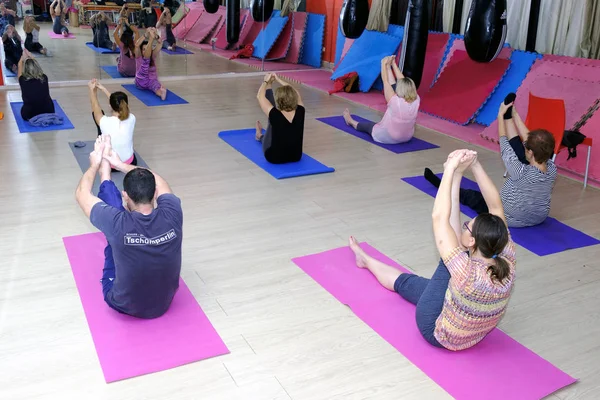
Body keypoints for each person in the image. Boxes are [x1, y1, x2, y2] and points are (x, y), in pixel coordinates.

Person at [350, 149, 516, 351]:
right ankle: (366, 260)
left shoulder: (466, 273)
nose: (464, 225)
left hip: (439, 334)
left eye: (467, 226)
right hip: (474, 333)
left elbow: (439, 217)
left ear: (472, 241)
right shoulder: (506, 256)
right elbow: (496, 208)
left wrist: (450, 171)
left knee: (446, 261)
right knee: (421, 283)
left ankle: (367, 261)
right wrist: (475, 164)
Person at [75, 135, 183, 319]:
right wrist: (121, 164)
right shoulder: (173, 212)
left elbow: (81, 193)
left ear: (125, 196)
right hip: (164, 302)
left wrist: (95, 163)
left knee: (113, 237)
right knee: (115, 227)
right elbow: (159, 180)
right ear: (155, 193)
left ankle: (105, 174)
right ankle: (107, 172)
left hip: (124, 304)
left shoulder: (118, 224)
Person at [424, 100, 557, 228]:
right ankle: (508, 117)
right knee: (519, 151)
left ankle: (440, 184)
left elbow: (504, 143)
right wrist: (514, 115)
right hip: (539, 217)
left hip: (509, 218)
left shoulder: (520, 172)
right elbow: (532, 142)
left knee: (472, 197)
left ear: (531, 152)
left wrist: (500, 117)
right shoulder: (552, 168)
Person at [343, 55, 420, 144]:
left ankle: (350, 121)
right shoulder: (417, 99)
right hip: (407, 137)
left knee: (370, 126)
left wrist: (383, 64)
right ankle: (388, 68)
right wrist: (393, 64)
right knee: (394, 88)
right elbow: (404, 82)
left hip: (388, 137)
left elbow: (385, 81)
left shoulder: (395, 101)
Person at [255, 73, 305, 164]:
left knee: (271, 123)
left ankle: (259, 135)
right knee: (273, 122)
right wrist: (278, 79)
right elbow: (295, 92)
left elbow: (260, 96)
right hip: (296, 156)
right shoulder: (301, 111)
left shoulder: (274, 114)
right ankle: (259, 135)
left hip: (274, 158)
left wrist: (266, 81)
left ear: (279, 100)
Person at [88, 79, 137, 167]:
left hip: (109, 165)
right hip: (129, 162)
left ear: (110, 106)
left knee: (99, 122)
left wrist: (92, 90)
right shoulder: (132, 118)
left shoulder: (104, 122)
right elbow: (118, 103)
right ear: (126, 105)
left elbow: (95, 106)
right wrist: (103, 89)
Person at [17, 50, 55, 121]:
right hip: (49, 110)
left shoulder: (23, 80)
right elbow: (37, 67)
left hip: (30, 114)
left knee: (23, 109)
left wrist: (22, 59)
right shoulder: (44, 78)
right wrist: (32, 57)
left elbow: (19, 66)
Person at [134, 28, 167, 100]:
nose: (145, 51)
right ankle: (150, 40)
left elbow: (160, 42)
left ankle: (161, 93)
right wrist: (146, 35)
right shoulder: (138, 56)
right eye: (143, 49)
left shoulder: (153, 55)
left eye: (147, 49)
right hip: (141, 80)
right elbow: (137, 45)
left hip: (151, 80)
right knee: (145, 62)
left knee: (156, 86)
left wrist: (155, 35)